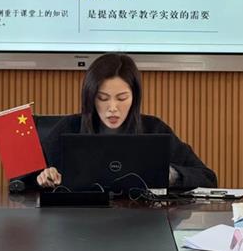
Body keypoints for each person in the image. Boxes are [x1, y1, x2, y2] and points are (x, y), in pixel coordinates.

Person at [37, 53, 217, 189]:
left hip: (143, 219)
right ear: (90, 98)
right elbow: (26, 178)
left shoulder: (154, 129)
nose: (112, 108)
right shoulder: (69, 128)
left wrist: (171, 175)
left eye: (122, 98)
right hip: (79, 219)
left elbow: (207, 178)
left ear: (134, 98)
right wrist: (44, 176)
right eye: (103, 98)